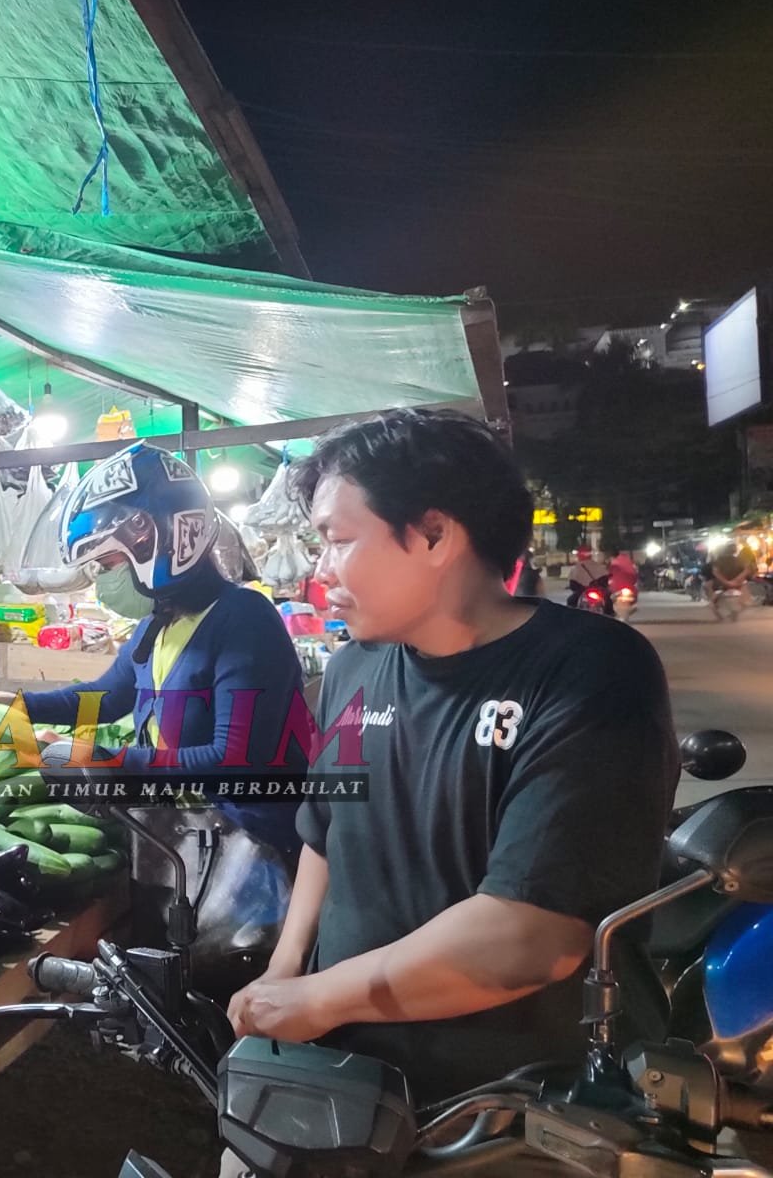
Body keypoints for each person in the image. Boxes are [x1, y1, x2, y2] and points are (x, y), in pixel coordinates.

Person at [225, 408, 677, 1110]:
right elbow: (326, 833)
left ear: (434, 534)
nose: (320, 571)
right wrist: (283, 980)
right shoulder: (353, 667)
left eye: (337, 540)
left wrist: (316, 999)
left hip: (517, 1102)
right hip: (355, 1069)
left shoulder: (591, 670)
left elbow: (527, 936)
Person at [0, 441, 306, 847]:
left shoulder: (244, 619)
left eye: (111, 564)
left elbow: (233, 759)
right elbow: (107, 696)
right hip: (191, 833)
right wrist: (18, 707)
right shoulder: (156, 624)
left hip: (256, 843)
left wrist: (103, 759)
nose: (106, 579)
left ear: (163, 542)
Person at [707, 542, 750, 621]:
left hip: (722, 585)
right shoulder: (740, 560)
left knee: (712, 603)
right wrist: (736, 580)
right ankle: (735, 612)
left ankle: (719, 616)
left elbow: (715, 572)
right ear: (735, 550)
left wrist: (726, 582)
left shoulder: (719, 560)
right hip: (737, 585)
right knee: (745, 602)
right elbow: (746, 571)